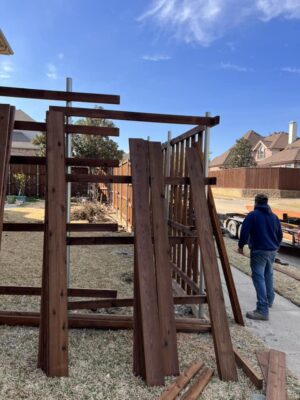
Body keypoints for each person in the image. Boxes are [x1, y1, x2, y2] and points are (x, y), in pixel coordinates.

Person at [238, 193, 282, 321]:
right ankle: (269, 299)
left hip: (259, 251)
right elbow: (279, 234)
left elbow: (244, 231)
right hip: (272, 250)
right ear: (267, 203)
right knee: (268, 274)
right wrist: (275, 246)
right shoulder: (274, 217)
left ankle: (262, 310)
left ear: (256, 203)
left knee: (258, 277)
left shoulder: (253, 215)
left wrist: (241, 246)